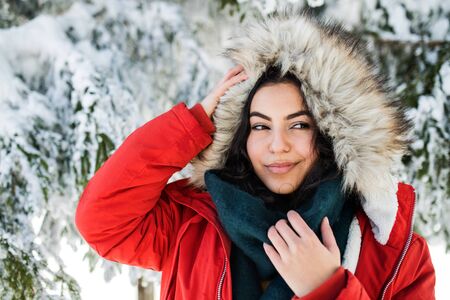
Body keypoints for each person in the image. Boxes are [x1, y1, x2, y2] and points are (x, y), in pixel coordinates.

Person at [75, 5, 436, 300]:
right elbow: (103, 220)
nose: (277, 145)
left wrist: (326, 289)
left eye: (299, 125)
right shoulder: (192, 223)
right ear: (240, 138)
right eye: (260, 126)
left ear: (330, 134)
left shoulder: (397, 252)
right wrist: (194, 123)